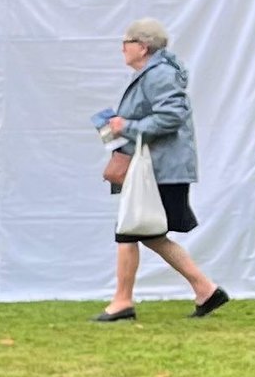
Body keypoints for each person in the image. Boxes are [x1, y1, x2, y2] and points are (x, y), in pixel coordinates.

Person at [95, 19, 229, 319]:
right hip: (159, 168)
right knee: (144, 232)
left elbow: (172, 116)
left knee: (130, 230)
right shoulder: (154, 74)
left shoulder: (159, 75)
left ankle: (122, 302)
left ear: (143, 47)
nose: (122, 48)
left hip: (161, 169)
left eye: (126, 42)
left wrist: (126, 125)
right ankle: (205, 289)